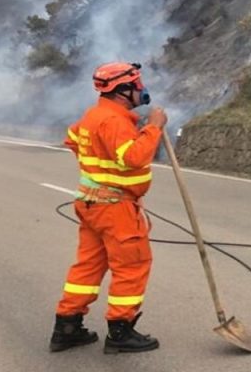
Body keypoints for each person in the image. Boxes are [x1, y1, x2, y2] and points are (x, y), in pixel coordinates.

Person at [50, 62, 166, 354]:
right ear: (122, 90)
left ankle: (67, 326)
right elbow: (134, 157)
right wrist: (154, 127)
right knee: (132, 265)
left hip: (91, 204)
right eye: (136, 84)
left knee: (88, 265)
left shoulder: (94, 115)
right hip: (115, 208)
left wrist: (98, 168)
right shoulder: (114, 121)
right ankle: (120, 331)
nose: (141, 88)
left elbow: (73, 139)